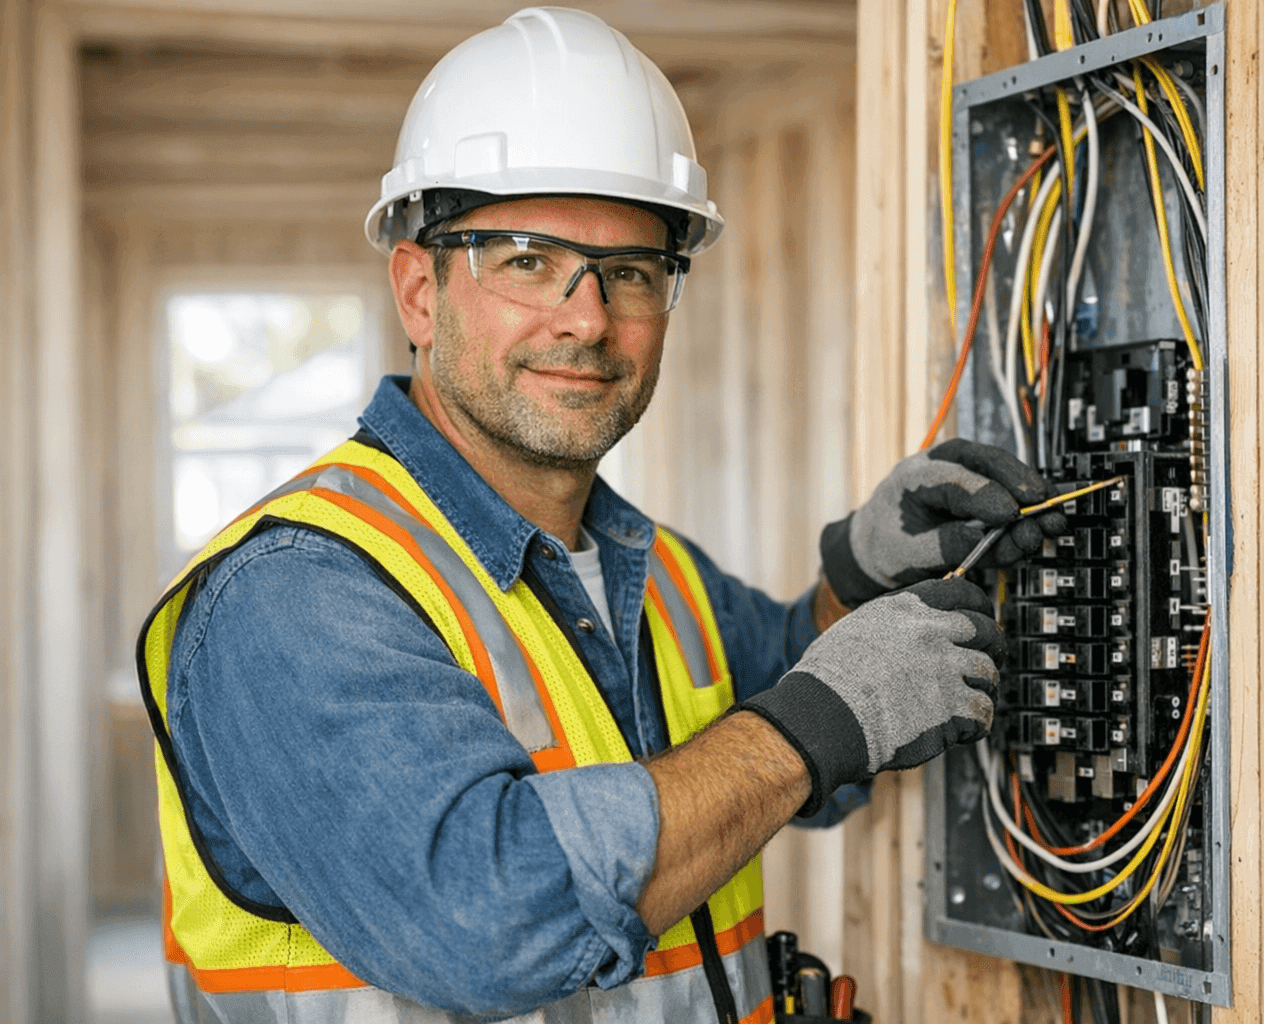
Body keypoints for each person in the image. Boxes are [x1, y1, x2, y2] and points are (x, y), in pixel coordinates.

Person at [137, 8, 1064, 1023]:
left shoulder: (651, 568)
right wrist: (810, 728)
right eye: (528, 259)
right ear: (418, 290)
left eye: (629, 271)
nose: (586, 318)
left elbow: (802, 696)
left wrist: (860, 579)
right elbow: (490, 917)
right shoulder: (296, 595)